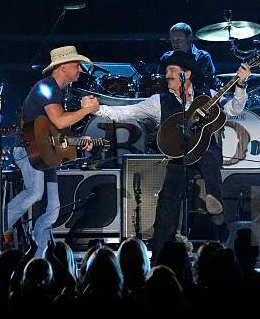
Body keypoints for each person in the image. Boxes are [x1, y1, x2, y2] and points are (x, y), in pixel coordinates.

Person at [93, 51, 250, 262]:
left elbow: (233, 109)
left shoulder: (207, 94)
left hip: (204, 153)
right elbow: (128, 111)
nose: (167, 75)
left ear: (187, 74)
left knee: (211, 157)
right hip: (179, 157)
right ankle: (159, 261)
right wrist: (98, 109)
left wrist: (240, 85)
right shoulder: (159, 101)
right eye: (167, 70)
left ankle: (217, 212)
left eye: (172, 71)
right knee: (167, 204)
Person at [0, 46, 98, 256]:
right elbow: (59, 119)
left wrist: (79, 141)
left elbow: (56, 135)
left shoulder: (57, 92)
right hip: (29, 151)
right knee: (35, 192)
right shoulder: (46, 87)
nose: (80, 70)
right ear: (63, 67)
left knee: (53, 208)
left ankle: (41, 253)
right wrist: (85, 111)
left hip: (45, 153)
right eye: (76, 65)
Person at [158, 22, 216, 87]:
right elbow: (160, 82)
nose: (175, 44)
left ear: (189, 38)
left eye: (179, 40)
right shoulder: (166, 57)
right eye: (172, 40)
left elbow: (209, 82)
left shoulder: (203, 57)